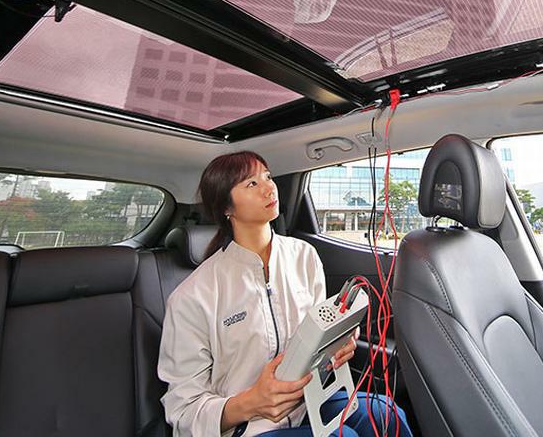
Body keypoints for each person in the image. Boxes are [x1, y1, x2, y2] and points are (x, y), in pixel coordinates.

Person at [158, 151, 412, 437]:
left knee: (385, 414)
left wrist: (337, 344)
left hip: (307, 403)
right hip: (246, 426)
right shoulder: (193, 296)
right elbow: (182, 411)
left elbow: (316, 338)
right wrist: (251, 402)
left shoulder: (304, 256)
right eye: (251, 183)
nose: (269, 187)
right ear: (226, 207)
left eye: (267, 176)